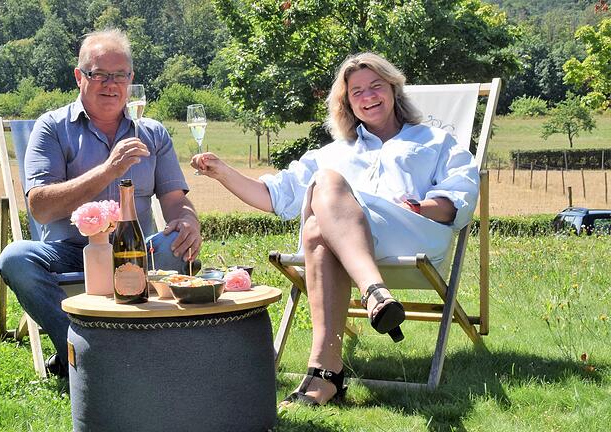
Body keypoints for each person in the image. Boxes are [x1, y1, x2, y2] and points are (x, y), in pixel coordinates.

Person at [191, 52, 479, 406]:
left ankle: (360, 312)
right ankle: (327, 370)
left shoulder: (435, 141)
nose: (368, 96)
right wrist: (222, 172)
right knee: (317, 225)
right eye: (356, 92)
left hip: (410, 230)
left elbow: (461, 190)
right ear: (347, 103)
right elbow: (273, 196)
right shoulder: (334, 152)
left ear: (393, 89)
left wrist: (424, 206)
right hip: (349, 242)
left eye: (376, 86)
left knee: (323, 193)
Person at [0, 29, 202, 378]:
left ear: (131, 79)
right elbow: (41, 207)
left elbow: (174, 201)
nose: (111, 84)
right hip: (70, 250)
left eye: (119, 74)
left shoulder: (153, 133)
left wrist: (188, 222)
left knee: (175, 242)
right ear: (79, 77)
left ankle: (160, 349)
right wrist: (109, 170)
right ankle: (83, 352)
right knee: (15, 259)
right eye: (99, 74)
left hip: (139, 253)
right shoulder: (52, 128)